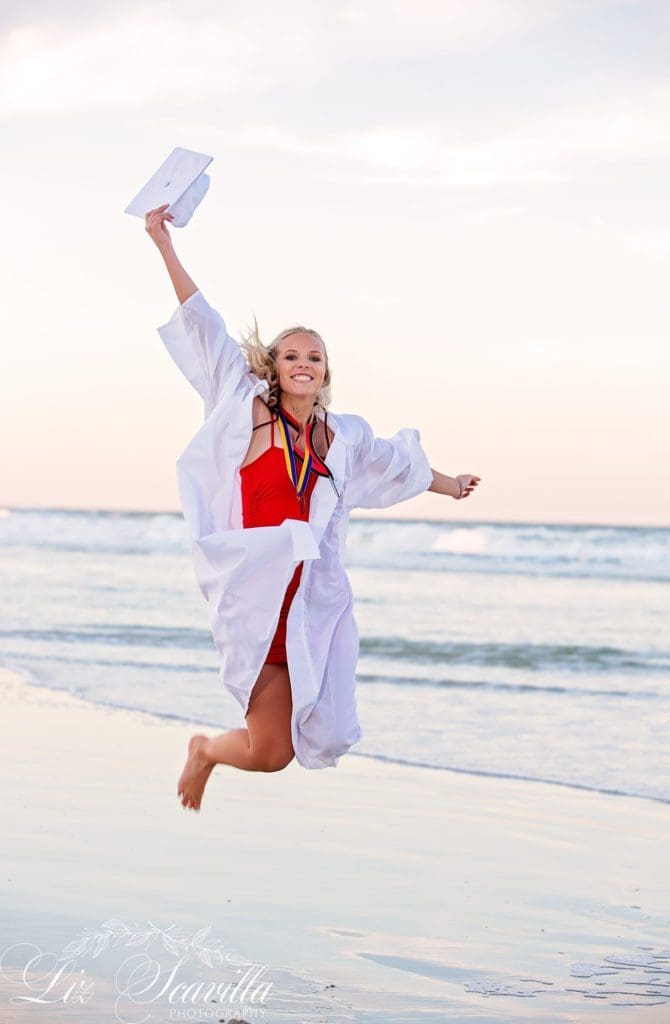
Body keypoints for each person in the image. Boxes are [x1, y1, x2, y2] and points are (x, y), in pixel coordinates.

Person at [144, 202, 481, 811]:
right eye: (292, 355)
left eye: (315, 357)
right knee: (271, 752)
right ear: (273, 366)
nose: (303, 364)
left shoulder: (340, 436)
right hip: (254, 600)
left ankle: (207, 748)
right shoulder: (247, 411)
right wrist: (163, 243)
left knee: (296, 746)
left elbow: (392, 463)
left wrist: (448, 482)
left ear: (326, 374)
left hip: (308, 607)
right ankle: (206, 751)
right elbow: (204, 324)